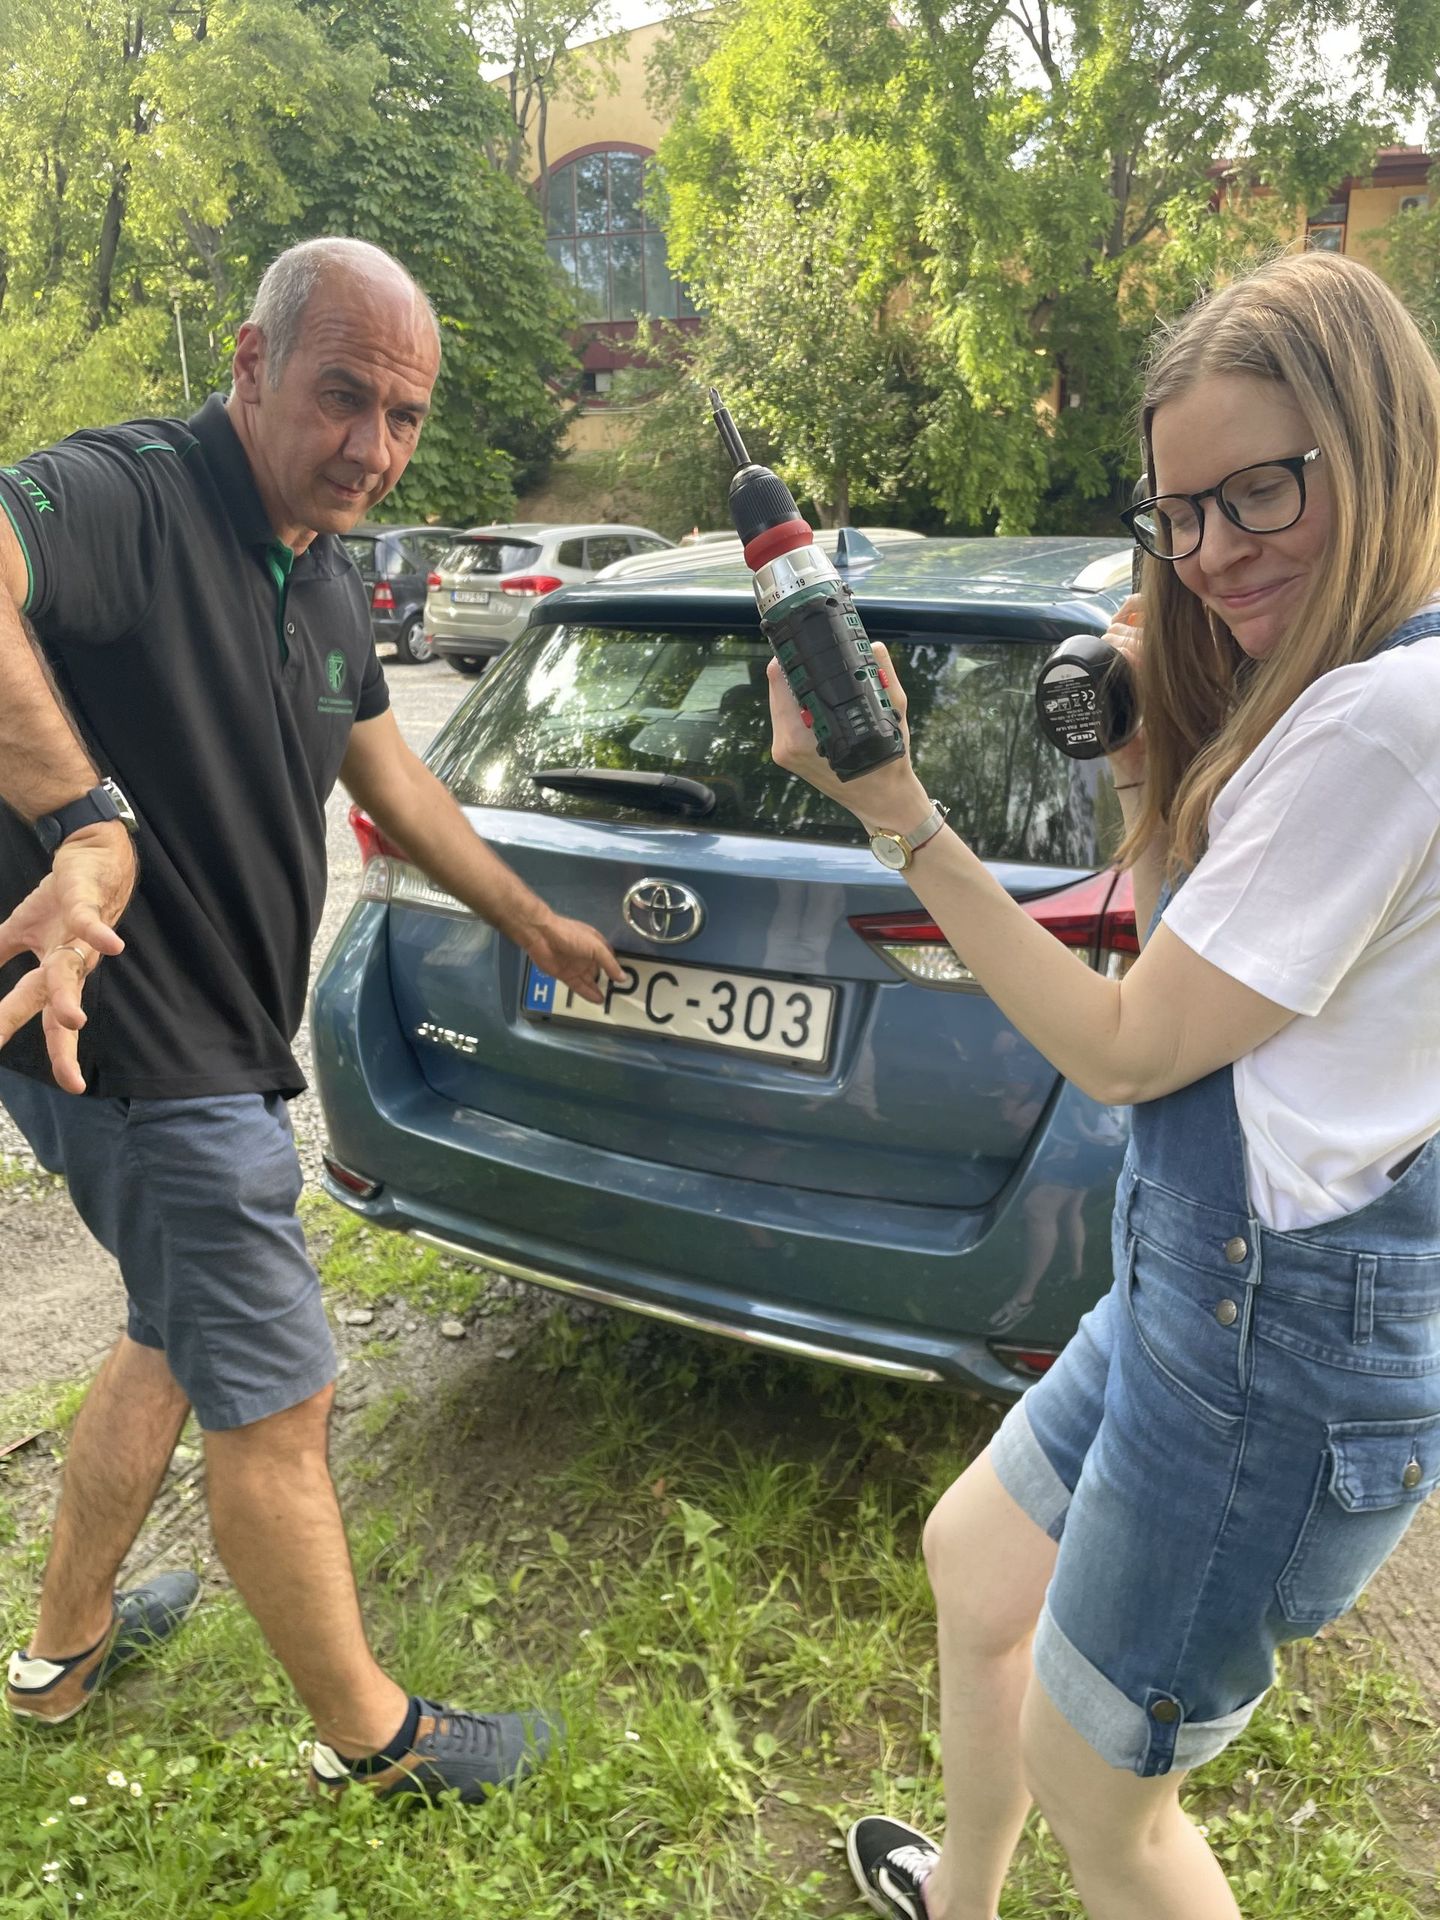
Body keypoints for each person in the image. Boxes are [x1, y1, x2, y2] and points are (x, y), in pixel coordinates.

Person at [771, 249, 1440, 1920]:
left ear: (1381, 443)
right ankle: (965, 1901)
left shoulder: (1381, 720)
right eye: (1180, 513)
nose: (1211, 555)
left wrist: (896, 810)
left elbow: (1127, 1043)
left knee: (1106, 1795)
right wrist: (1151, 758)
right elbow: (1193, 972)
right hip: (1197, 1284)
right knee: (974, 1558)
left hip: (1274, 1342)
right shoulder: (1352, 685)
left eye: (1259, 491)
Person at [0, 236, 624, 1802]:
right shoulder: (139, 498)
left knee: (168, 1332)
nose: (373, 446)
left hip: (212, 1041)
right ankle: (378, 1741)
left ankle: (61, 1656)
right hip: (142, 1046)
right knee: (282, 1398)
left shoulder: (328, 572)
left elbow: (390, 775)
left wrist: (529, 917)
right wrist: (81, 816)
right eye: (344, 395)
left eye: (404, 415)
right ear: (251, 362)